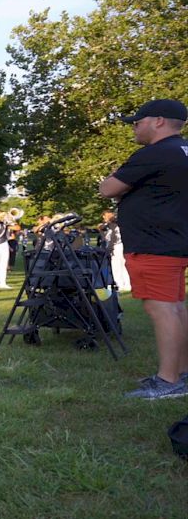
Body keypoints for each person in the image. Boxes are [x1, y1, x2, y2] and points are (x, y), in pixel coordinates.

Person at [98, 98, 188, 400]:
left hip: (154, 243)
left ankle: (168, 381)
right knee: (175, 307)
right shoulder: (182, 151)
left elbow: (108, 188)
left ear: (159, 121)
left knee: (160, 308)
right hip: (173, 240)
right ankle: (182, 374)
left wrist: (114, 180)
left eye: (138, 121)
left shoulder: (155, 153)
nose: (134, 126)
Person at [98, 211, 131, 292]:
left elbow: (113, 238)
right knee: (122, 265)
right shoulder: (112, 226)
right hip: (118, 246)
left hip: (116, 246)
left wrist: (109, 248)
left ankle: (121, 284)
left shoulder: (113, 225)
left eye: (105, 217)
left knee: (117, 266)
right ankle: (126, 285)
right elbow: (105, 237)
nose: (104, 219)